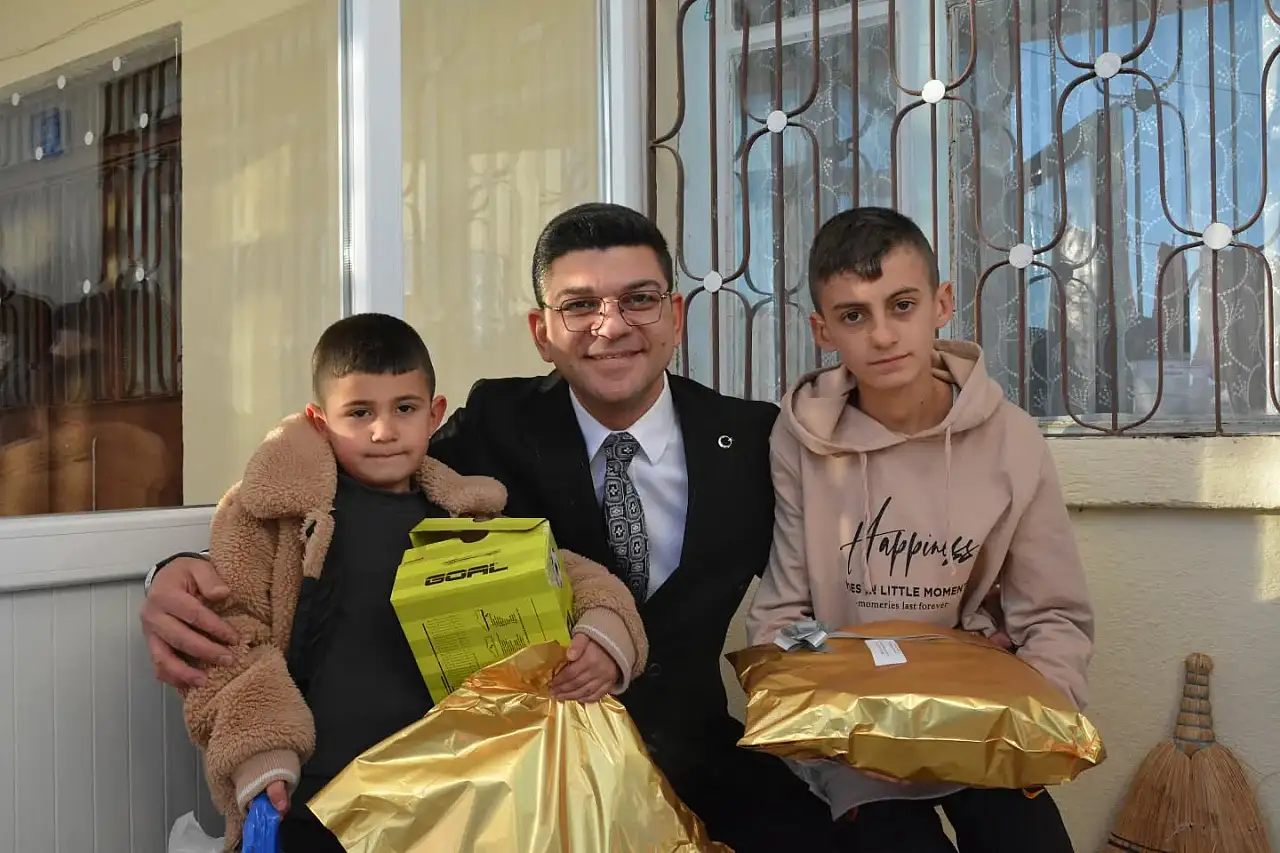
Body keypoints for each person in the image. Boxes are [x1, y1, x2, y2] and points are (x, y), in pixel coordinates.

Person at [141, 204, 873, 852]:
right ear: (541, 331)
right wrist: (174, 569)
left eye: (639, 299)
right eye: (579, 305)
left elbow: (841, 554)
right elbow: (345, 467)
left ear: (675, 316)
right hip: (526, 769)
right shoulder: (494, 422)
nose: (612, 325)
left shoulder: (749, 437)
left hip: (697, 754)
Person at [179, 312, 647, 852]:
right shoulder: (275, 517)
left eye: (404, 408)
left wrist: (605, 629)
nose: (384, 431)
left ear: (434, 414)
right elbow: (232, 637)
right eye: (359, 412)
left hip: (446, 791)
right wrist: (263, 753)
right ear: (319, 420)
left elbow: (564, 569)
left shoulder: (465, 514)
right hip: (313, 792)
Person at [747, 206, 1093, 852]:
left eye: (902, 305)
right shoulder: (800, 441)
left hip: (979, 716)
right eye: (854, 315)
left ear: (942, 303)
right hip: (858, 730)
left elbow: (1053, 615)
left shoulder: (1011, 439)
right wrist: (843, 724)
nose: (882, 335)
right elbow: (784, 622)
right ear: (823, 330)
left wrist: (1027, 721)